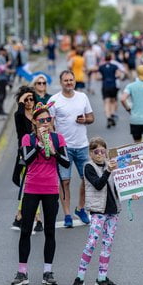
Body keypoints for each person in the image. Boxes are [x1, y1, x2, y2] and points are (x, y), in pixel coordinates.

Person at [10, 102, 70, 285]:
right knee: (26, 230)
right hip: (32, 189)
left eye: (48, 119)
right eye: (41, 120)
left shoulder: (58, 138)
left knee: (50, 231)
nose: (45, 122)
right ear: (35, 123)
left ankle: (47, 271)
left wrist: (53, 151)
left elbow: (66, 162)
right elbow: (26, 161)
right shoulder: (28, 139)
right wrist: (38, 143)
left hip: (51, 189)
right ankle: (22, 272)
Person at [69, 137, 138, 285]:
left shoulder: (111, 166)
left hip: (113, 210)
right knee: (91, 243)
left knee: (107, 244)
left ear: (106, 151)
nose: (100, 154)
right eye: (96, 151)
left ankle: (102, 278)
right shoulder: (88, 167)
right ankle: (79, 277)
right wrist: (108, 170)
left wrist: (132, 193)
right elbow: (98, 184)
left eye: (102, 150)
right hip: (98, 211)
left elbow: (119, 187)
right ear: (91, 153)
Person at [48, 70, 94, 227]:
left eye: (71, 80)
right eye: (66, 80)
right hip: (63, 147)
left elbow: (91, 117)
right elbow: (49, 123)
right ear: (61, 82)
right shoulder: (54, 100)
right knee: (64, 182)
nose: (69, 82)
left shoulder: (82, 97)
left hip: (82, 145)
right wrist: (53, 140)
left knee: (87, 180)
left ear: (75, 81)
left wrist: (85, 120)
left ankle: (80, 208)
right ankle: (67, 214)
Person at [12, 86, 43, 232]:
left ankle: (19, 216)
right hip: (24, 154)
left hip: (39, 153)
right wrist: (21, 101)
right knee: (27, 185)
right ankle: (35, 218)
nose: (29, 102)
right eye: (26, 99)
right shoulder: (19, 115)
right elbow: (19, 113)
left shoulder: (37, 115)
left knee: (35, 185)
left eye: (31, 99)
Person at [98, 54, 121, 128]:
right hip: (113, 86)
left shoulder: (101, 67)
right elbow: (118, 75)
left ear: (104, 59)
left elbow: (98, 77)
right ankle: (112, 113)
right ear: (111, 59)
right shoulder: (114, 66)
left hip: (105, 86)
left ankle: (108, 117)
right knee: (113, 101)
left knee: (106, 102)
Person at [0, 48, 11, 116]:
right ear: (1, 51)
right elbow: (1, 68)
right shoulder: (0, 58)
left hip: (3, 77)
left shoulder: (3, 58)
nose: (5, 52)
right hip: (1, 78)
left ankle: (1, 109)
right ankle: (0, 110)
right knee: (2, 94)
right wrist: (7, 64)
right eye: (4, 51)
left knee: (3, 94)